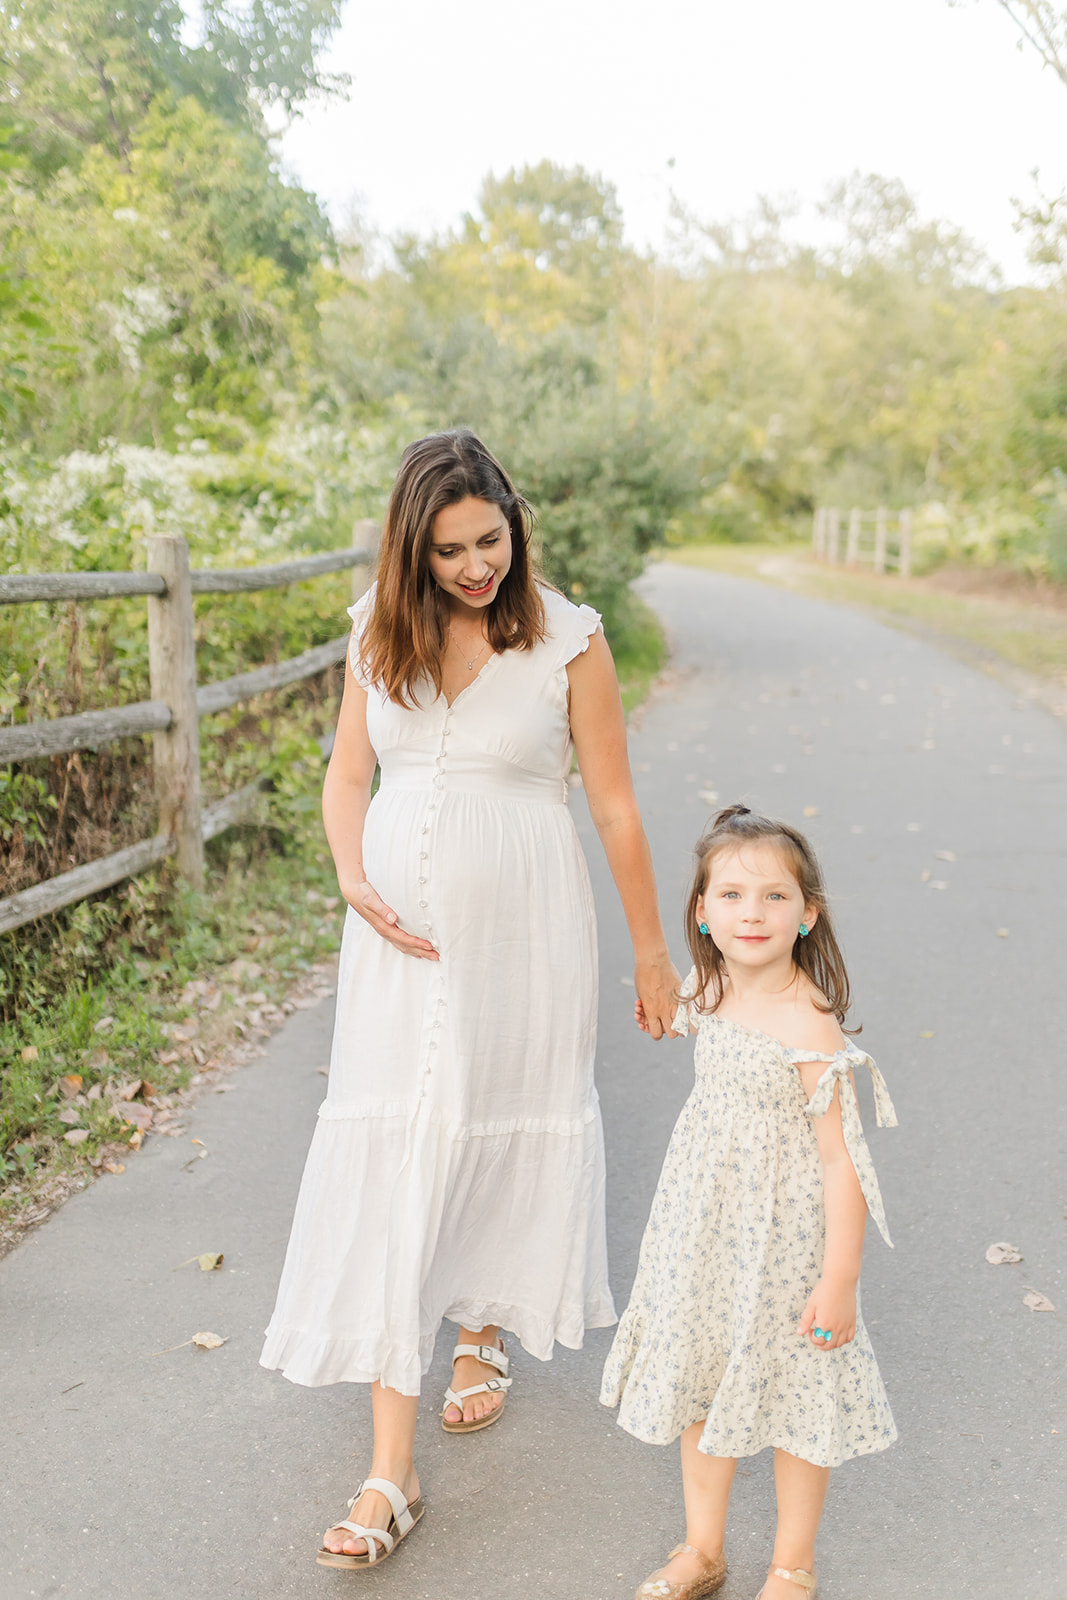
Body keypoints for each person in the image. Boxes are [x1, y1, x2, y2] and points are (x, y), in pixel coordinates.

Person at [260, 428, 680, 1570]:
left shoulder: (566, 639)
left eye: (489, 539)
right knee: (402, 1150)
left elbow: (615, 808)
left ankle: (480, 1323)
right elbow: (351, 774)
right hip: (395, 944)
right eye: (448, 550)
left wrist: (651, 951)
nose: (474, 566)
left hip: (526, 934)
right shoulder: (376, 633)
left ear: (512, 520)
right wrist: (352, 874)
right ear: (412, 549)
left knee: (488, 1118)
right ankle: (388, 1474)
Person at [600, 804, 897, 1600]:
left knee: (796, 1393)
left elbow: (842, 1161)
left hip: (787, 1240)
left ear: (807, 914)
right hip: (703, 1225)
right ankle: (702, 1547)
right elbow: (689, 1020)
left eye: (772, 897)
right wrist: (664, 1011)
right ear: (701, 911)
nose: (750, 913)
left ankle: (790, 1564)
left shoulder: (810, 1022)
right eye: (729, 896)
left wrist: (839, 1277)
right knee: (704, 1374)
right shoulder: (713, 983)